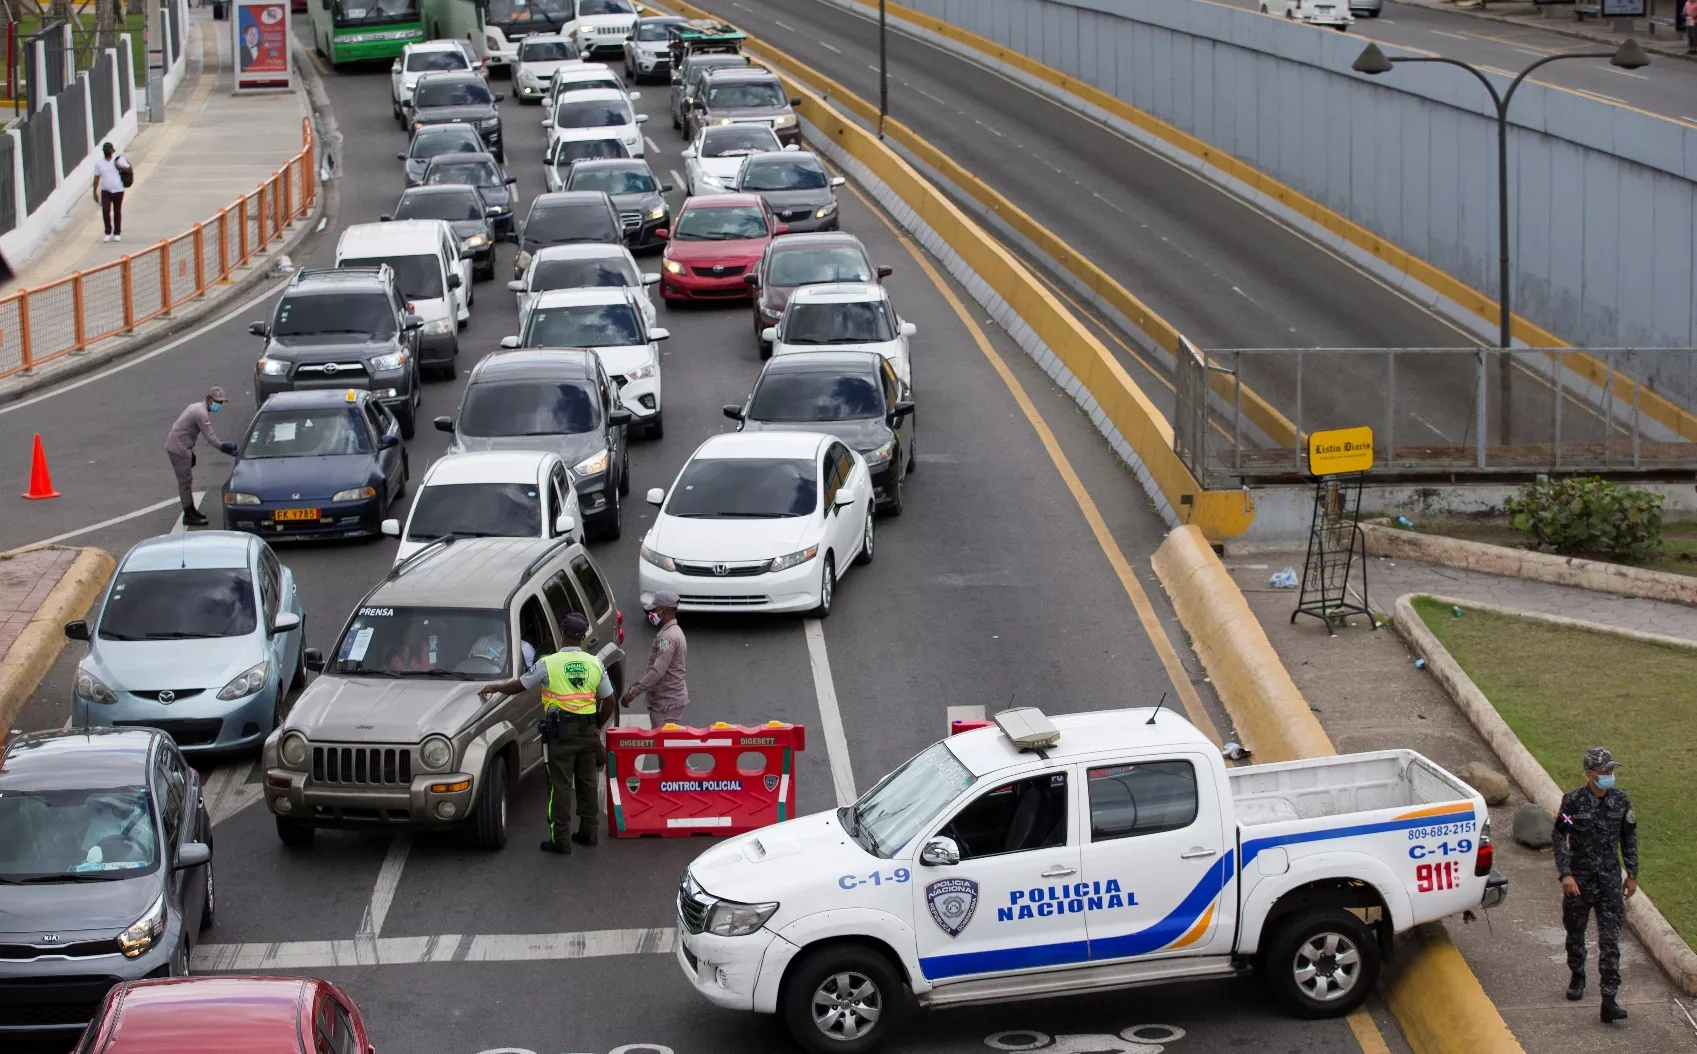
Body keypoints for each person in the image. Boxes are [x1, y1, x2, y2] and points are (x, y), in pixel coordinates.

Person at [478, 613, 612, 854]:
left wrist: (495, 687)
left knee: (560, 786)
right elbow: (609, 700)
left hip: (561, 733)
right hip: (587, 731)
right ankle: (589, 833)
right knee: (587, 783)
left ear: (563, 633)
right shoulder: (595, 663)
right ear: (582, 637)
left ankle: (560, 839)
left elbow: (518, 686)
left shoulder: (548, 663)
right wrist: (598, 725)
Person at [1553, 746, 1638, 1023]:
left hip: (1610, 882)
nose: (1609, 775)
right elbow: (1558, 837)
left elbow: (1629, 838)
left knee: (1610, 941)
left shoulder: (1621, 801)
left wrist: (1632, 874)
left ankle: (1609, 999)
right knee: (1575, 933)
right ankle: (1577, 975)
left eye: (1612, 770)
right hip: (1579, 883)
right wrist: (1565, 874)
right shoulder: (1573, 803)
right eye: (1604, 771)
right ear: (1590, 773)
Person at [164, 387, 238, 526]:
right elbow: (210, 438)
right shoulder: (201, 413)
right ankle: (189, 514)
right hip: (178, 448)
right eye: (218, 402)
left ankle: (191, 510)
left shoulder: (197, 408)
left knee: (187, 480)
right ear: (210, 399)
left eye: (221, 403)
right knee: (185, 482)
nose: (219, 405)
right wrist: (225, 447)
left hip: (181, 446)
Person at [621, 591, 688, 727]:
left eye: (654, 610)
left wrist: (633, 693)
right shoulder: (672, 631)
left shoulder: (668, 638)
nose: (651, 613)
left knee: (662, 745)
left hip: (666, 703)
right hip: (666, 701)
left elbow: (657, 671)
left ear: (664, 612)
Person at [91, 142, 131, 243]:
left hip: (118, 190)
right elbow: (96, 178)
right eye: (105, 149)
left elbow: (129, 169)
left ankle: (117, 233)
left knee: (117, 211)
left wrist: (119, 166)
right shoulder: (99, 163)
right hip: (106, 191)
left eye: (108, 149)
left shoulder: (118, 159)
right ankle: (107, 232)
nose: (107, 151)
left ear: (112, 150)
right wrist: (94, 192)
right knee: (105, 210)